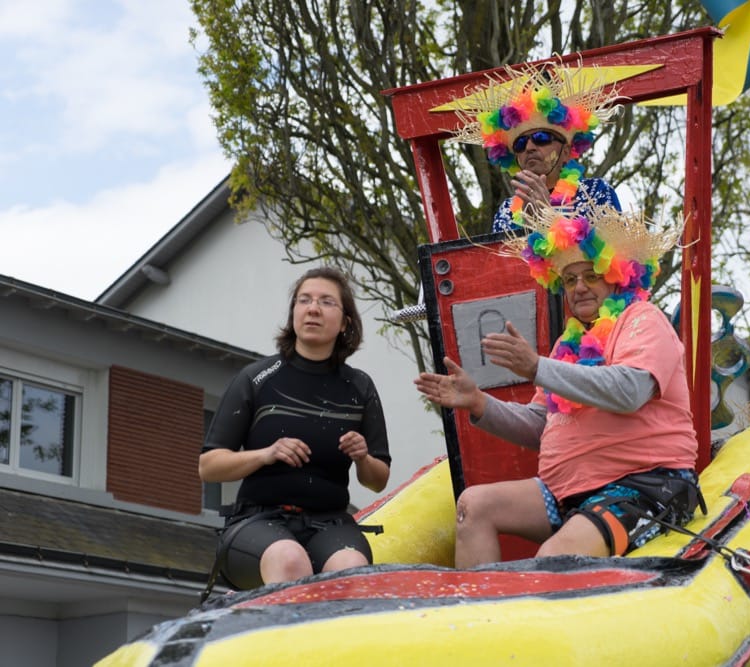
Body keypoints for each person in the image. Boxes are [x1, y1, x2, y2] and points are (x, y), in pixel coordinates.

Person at [414, 202, 701, 567]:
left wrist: (537, 367)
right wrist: (479, 403)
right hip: (566, 495)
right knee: (474, 505)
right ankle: (481, 606)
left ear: (616, 275)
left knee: (553, 558)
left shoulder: (642, 319)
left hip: (647, 485)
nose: (578, 287)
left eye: (590, 276)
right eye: (569, 280)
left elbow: (630, 391)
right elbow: (541, 425)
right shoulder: (569, 343)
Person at [200, 267, 391, 590]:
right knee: (290, 560)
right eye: (304, 300)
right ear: (293, 315)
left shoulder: (360, 387)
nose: (313, 308)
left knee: (351, 569)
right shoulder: (256, 378)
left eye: (326, 302)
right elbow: (208, 467)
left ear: (345, 323)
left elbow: (378, 480)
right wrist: (266, 454)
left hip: (330, 522)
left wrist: (362, 457)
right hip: (257, 521)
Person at [450, 61, 622, 233]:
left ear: (565, 152)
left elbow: (614, 248)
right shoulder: (506, 212)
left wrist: (547, 218)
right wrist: (529, 225)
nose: (529, 147)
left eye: (541, 138)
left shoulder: (595, 192)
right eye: (520, 143)